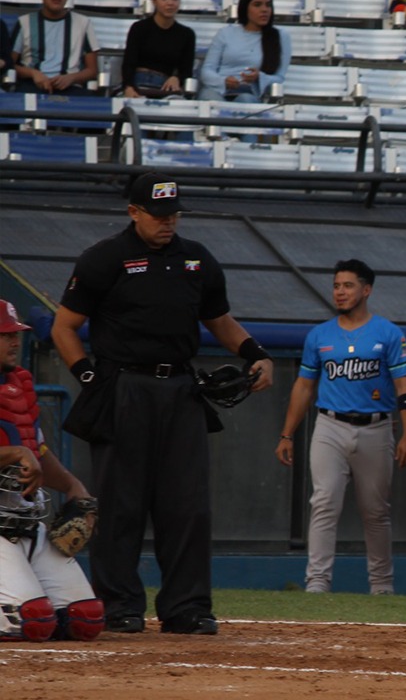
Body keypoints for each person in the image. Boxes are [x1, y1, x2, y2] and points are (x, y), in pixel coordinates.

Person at [51, 171, 274, 635]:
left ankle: (187, 606)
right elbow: (64, 327)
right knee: (121, 503)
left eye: (173, 214)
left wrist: (255, 353)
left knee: (187, 504)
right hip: (124, 386)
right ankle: (119, 604)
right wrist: (89, 377)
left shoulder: (196, 259)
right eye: (158, 215)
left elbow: (219, 319)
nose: (167, 223)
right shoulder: (105, 258)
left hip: (180, 389)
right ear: (133, 212)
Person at [275, 260, 406, 596]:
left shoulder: (388, 333)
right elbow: (305, 386)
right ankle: (318, 582)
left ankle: (381, 585)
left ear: (366, 289)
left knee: (376, 510)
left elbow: (403, 387)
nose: (340, 292)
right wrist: (287, 433)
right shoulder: (320, 335)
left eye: (348, 285)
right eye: (337, 285)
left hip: (376, 427)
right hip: (330, 425)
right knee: (324, 502)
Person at [0, 299, 103, 643]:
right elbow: (23, 450)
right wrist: (16, 452)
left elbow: (38, 450)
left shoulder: (19, 385)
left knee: (84, 619)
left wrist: (74, 486)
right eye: (5, 335)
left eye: (17, 335)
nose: (15, 342)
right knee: (30, 621)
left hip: (25, 519)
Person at [198, 0, 290, 103]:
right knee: (210, 98)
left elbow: (279, 78)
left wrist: (260, 77)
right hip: (218, 90)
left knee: (245, 100)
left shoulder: (280, 36)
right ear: (245, 8)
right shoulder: (225, 33)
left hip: (248, 93)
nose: (264, 9)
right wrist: (223, 81)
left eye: (268, 5)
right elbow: (207, 71)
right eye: (257, 5)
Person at [11, 0, 99, 95]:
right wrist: (33, 74)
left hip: (71, 87)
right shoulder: (24, 22)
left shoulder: (83, 23)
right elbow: (9, 65)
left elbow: (92, 70)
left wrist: (71, 78)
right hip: (31, 85)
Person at [121, 0, 196, 98]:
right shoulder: (139, 28)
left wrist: (177, 78)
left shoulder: (187, 34)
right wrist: (129, 86)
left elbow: (187, 71)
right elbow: (129, 63)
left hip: (164, 86)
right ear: (154, 0)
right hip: (138, 82)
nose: (170, 3)